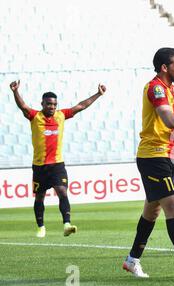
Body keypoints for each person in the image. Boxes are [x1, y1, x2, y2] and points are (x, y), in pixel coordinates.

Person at [122, 47, 174, 280]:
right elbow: (169, 118)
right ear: (164, 67)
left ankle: (132, 260)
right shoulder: (156, 88)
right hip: (153, 156)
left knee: (152, 212)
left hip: (166, 156)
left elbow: (169, 124)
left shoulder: (168, 89)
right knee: (172, 206)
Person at [10, 80, 106, 238]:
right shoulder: (35, 116)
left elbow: (80, 106)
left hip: (57, 165)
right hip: (40, 166)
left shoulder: (61, 116)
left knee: (62, 192)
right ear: (42, 103)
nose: (52, 107)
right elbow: (23, 106)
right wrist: (15, 92)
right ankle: (41, 227)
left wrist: (98, 94)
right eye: (49, 104)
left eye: (54, 104)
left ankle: (67, 224)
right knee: (40, 196)